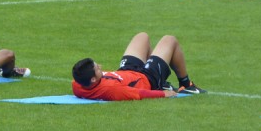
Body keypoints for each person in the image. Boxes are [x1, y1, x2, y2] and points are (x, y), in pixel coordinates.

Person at [72, 32, 205, 102]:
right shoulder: (112, 90)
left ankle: (163, 83)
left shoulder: (78, 83)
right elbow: (140, 94)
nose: (100, 66)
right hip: (147, 79)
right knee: (170, 40)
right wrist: (163, 94)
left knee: (142, 37)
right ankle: (186, 84)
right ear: (93, 79)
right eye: (97, 68)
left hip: (126, 71)